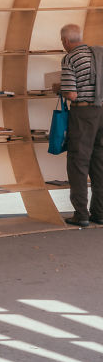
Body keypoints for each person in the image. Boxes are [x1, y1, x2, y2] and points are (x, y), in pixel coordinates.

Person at [56, 24, 103, 226]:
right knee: (100, 162)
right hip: (102, 112)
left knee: (78, 161)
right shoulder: (100, 53)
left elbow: (72, 93)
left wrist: (59, 88)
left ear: (66, 41)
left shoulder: (70, 57)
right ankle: (99, 213)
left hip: (83, 113)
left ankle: (81, 214)